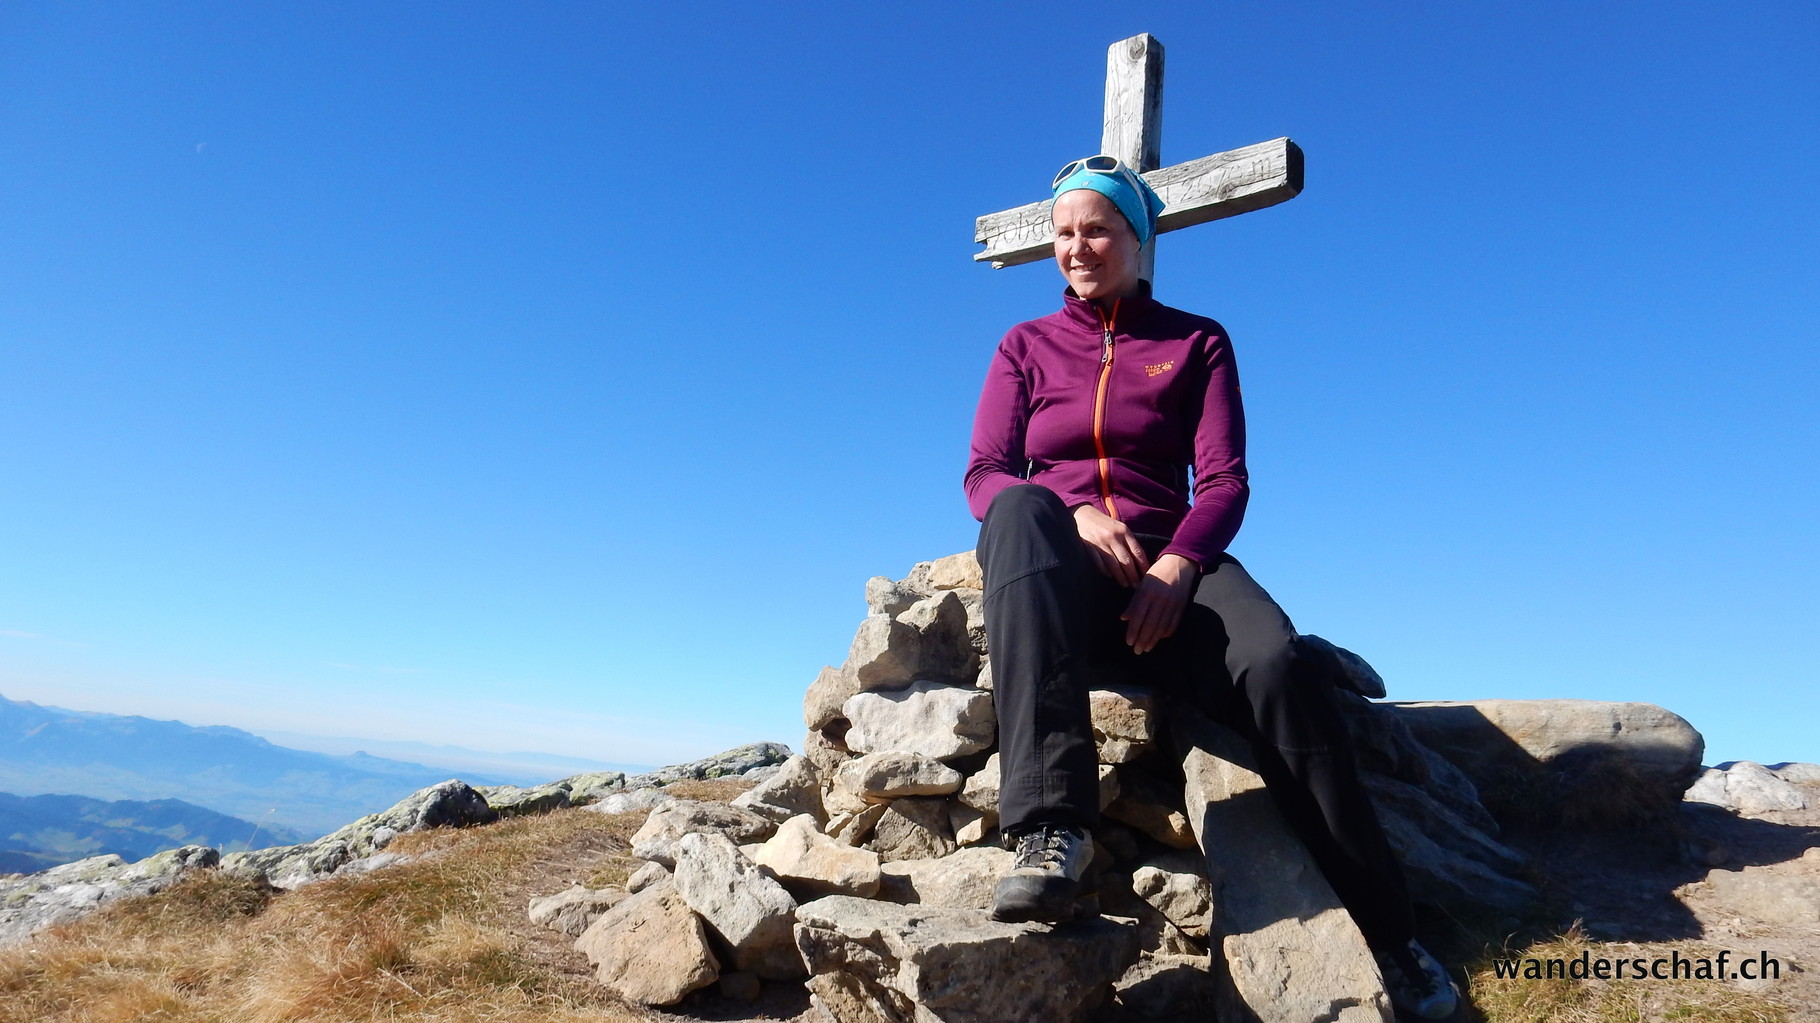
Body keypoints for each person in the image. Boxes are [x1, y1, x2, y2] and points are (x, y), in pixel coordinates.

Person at [963, 155, 1460, 1020]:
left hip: (1173, 567)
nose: (1078, 247)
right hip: (1062, 578)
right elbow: (985, 473)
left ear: (1137, 236)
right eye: (1064, 233)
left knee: (1278, 664)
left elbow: (1223, 480)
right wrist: (1075, 514)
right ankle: (1052, 829)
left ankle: (1391, 933)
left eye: (1098, 230)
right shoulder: (1024, 345)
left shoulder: (1196, 340)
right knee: (1018, 511)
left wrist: (1178, 563)